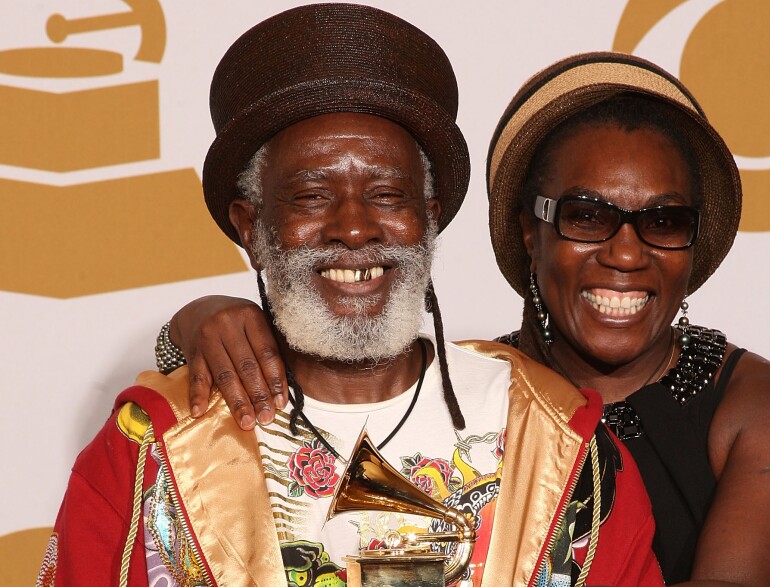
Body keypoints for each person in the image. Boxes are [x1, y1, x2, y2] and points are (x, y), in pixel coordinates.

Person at [40, 7, 663, 587]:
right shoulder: (155, 450)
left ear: (430, 218)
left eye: (388, 195)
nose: (355, 227)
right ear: (250, 228)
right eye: (311, 197)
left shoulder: (560, 440)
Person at [165, 52, 770, 586]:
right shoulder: (473, 388)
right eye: (587, 215)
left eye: (663, 221)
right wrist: (195, 323)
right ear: (528, 230)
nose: (626, 252)